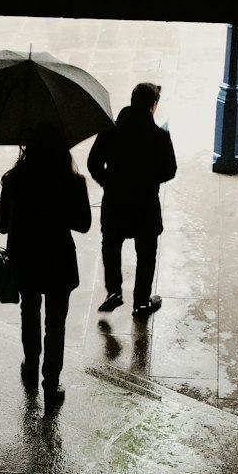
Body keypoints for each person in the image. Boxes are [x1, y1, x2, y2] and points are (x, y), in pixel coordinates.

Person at [0, 122, 92, 407]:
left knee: (30, 311)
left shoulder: (14, 180)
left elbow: (1, 225)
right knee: (56, 324)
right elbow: (84, 224)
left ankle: (30, 364)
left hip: (25, 259)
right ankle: (51, 383)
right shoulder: (73, 182)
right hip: (58, 261)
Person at [87, 81, 177, 317]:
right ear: (153, 106)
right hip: (145, 205)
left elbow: (93, 163)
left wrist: (109, 182)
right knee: (146, 254)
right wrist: (147, 181)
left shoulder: (110, 130)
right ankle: (141, 302)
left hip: (115, 202)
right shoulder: (160, 136)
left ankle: (114, 291)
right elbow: (170, 170)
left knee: (111, 245)